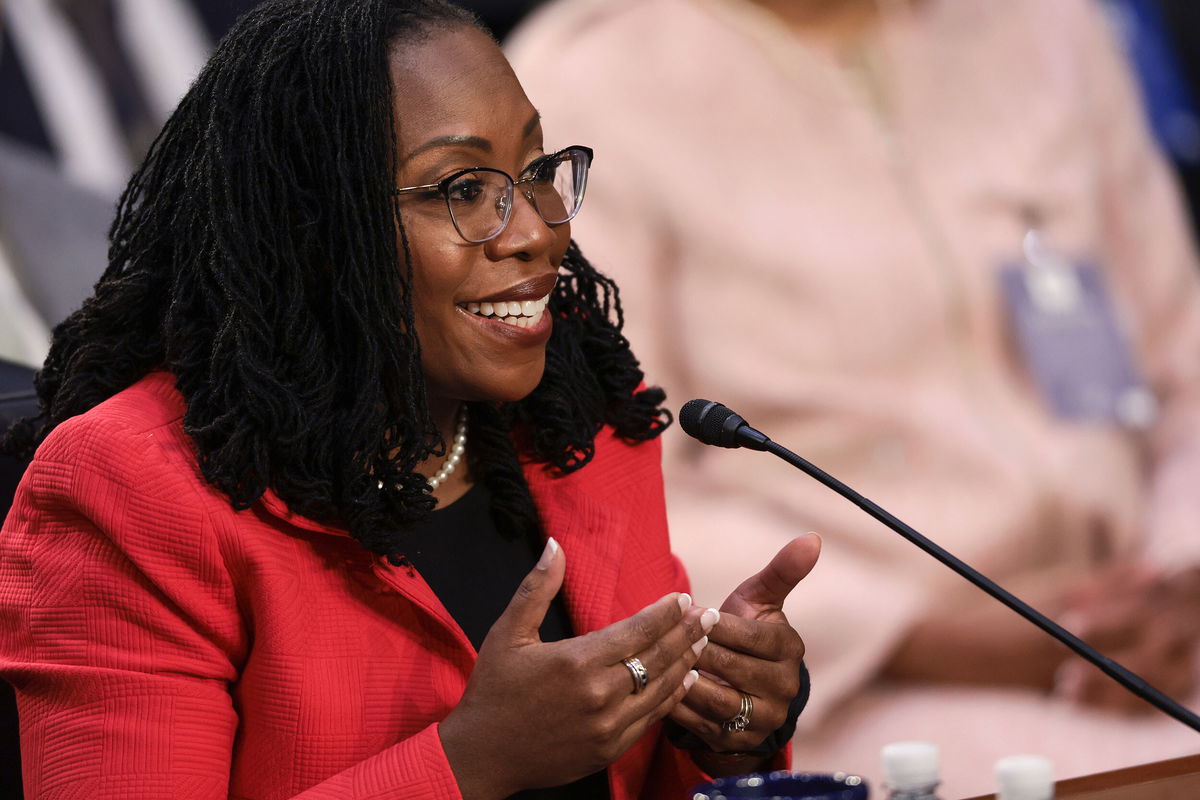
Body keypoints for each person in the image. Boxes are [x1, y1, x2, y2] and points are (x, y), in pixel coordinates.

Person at [0, 1, 818, 797]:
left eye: (535, 172)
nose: (533, 229)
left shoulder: (579, 419)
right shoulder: (131, 489)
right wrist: (469, 766)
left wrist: (725, 734)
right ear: (313, 227)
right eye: (461, 189)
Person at [505, 0, 1200, 795]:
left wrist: (1183, 577)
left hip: (1153, 624)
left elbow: (1186, 368)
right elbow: (592, 480)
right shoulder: (591, 79)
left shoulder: (1051, 29)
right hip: (852, 682)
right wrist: (923, 638)